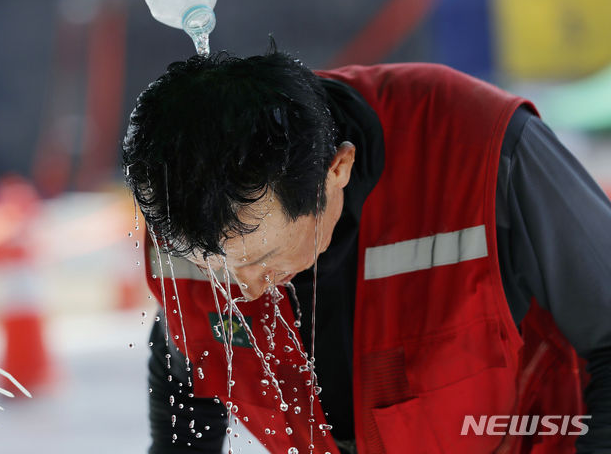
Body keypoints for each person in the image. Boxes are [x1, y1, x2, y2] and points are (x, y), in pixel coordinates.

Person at [123, 48, 611, 453]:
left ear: (336, 171)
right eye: (215, 269)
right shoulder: (178, 199)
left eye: (260, 259)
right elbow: (188, 361)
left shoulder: (481, 145)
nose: (241, 288)